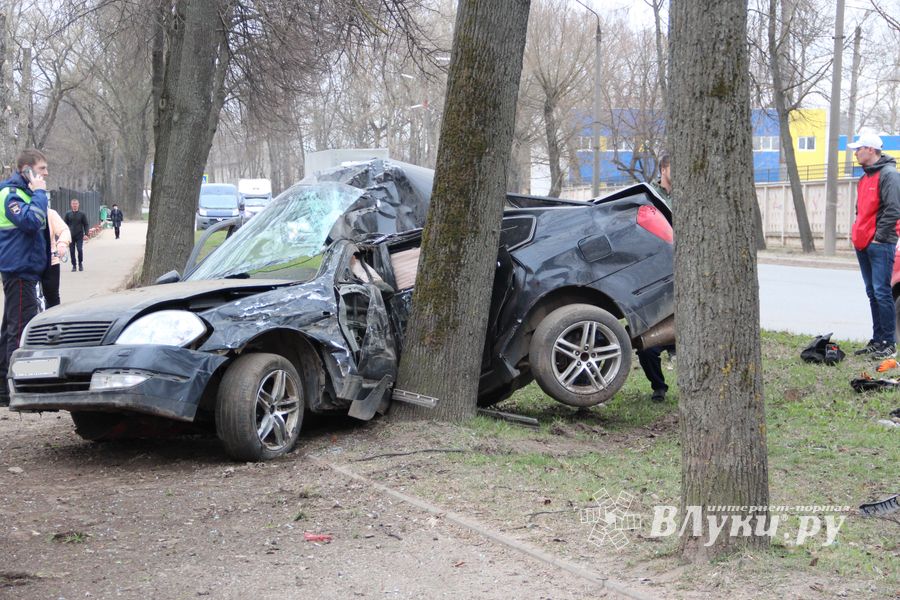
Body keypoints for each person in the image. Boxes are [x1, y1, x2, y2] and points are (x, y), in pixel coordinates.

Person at [0, 149, 51, 407]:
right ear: (27, 170)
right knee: (20, 331)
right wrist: (40, 193)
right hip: (19, 270)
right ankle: (16, 389)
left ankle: (3, 388)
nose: (46, 174)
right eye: (42, 169)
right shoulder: (11, 195)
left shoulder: (24, 194)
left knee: (10, 328)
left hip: (25, 270)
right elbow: (31, 223)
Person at [848, 133, 900, 359]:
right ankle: (877, 339)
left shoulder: (889, 175)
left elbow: (894, 209)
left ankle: (889, 342)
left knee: (882, 292)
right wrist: (858, 234)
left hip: (880, 244)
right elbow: (861, 211)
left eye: (858, 148)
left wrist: (878, 236)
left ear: (870, 149)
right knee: (872, 293)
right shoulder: (864, 178)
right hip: (863, 243)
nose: (855, 152)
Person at [638, 153, 676, 402]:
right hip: (656, 273)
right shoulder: (648, 196)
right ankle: (659, 387)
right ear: (663, 168)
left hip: (682, 274)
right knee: (647, 346)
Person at [41, 207, 71, 308]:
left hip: (51, 260)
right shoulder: (22, 212)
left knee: (52, 297)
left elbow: (64, 230)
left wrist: (62, 243)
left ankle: (53, 320)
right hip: (29, 263)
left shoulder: (50, 213)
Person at [64, 198, 90, 272]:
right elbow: (64, 225)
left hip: (79, 235)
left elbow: (86, 224)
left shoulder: (82, 214)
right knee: (72, 251)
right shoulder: (68, 214)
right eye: (73, 204)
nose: (74, 205)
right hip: (70, 236)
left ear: (78, 205)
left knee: (79, 249)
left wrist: (86, 234)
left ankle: (80, 264)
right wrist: (65, 235)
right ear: (71, 205)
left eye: (76, 204)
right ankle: (74, 265)